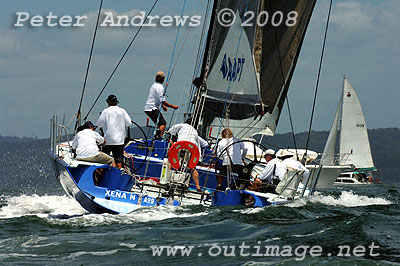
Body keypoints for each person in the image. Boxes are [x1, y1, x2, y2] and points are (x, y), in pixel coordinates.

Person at [167, 118, 206, 193]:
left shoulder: (182, 125)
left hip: (181, 144)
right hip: (191, 147)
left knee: (171, 161)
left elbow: (171, 131)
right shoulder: (195, 131)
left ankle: (168, 181)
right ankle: (198, 187)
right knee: (193, 168)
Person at [96, 95, 132, 169]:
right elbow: (129, 123)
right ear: (116, 102)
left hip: (108, 140)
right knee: (119, 160)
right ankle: (118, 175)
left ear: (108, 102)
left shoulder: (106, 111)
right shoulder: (122, 111)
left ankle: (101, 176)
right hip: (119, 141)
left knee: (104, 160)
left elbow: (99, 124)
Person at [144, 71, 179, 138]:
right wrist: (173, 106)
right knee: (163, 123)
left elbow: (157, 98)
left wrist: (163, 106)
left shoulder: (154, 85)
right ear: (163, 79)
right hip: (152, 108)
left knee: (159, 124)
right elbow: (162, 101)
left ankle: (157, 136)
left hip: (148, 108)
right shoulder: (159, 87)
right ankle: (159, 138)